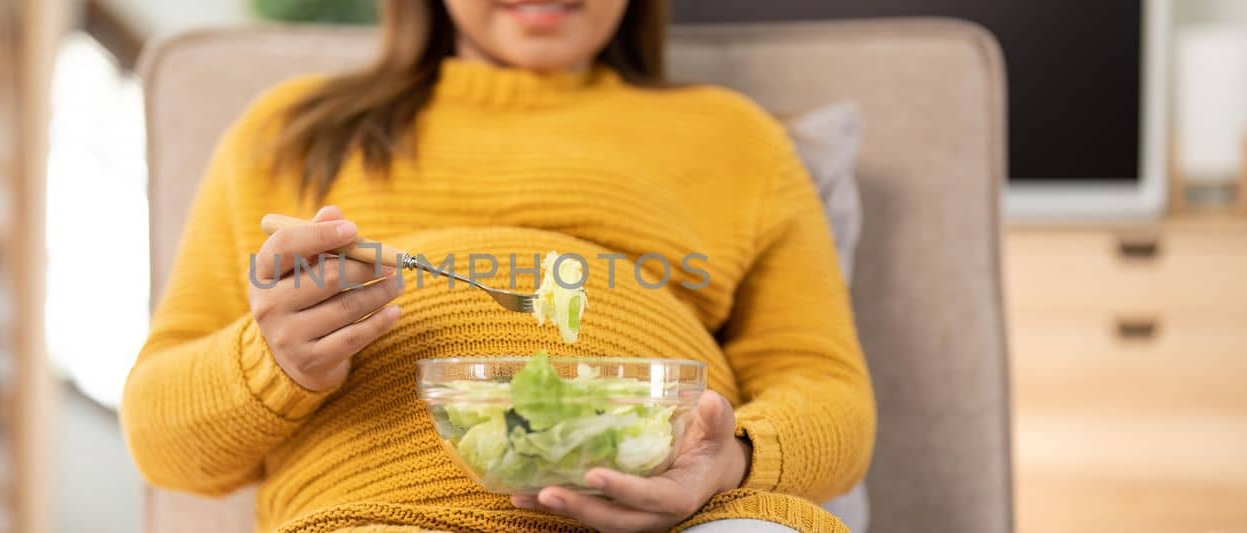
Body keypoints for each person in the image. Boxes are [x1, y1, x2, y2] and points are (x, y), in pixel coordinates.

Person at [121, 1, 874, 531]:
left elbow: (829, 391)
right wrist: (271, 358)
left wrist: (731, 460)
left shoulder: (736, 140)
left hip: (683, 519)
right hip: (379, 514)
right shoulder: (289, 134)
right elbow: (160, 434)